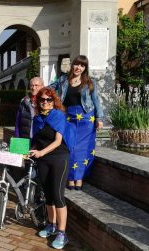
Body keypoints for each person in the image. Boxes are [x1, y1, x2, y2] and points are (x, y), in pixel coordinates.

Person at [49, 55, 104, 190]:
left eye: (82, 65)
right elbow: (49, 89)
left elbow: (96, 100)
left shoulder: (89, 82)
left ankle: (78, 179)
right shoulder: (63, 80)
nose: (78, 67)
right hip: (68, 117)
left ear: (85, 68)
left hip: (86, 119)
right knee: (70, 147)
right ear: (72, 65)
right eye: (77, 64)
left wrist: (100, 118)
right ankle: (70, 176)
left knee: (82, 150)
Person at [30, 87, 71, 250]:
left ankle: (62, 233)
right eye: (42, 100)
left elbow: (57, 141)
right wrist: (31, 150)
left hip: (59, 158)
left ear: (54, 101)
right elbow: (36, 140)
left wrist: (41, 152)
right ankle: (51, 225)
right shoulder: (37, 118)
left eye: (49, 100)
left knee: (58, 195)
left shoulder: (58, 115)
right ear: (38, 102)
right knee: (48, 194)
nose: (45, 102)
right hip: (43, 159)